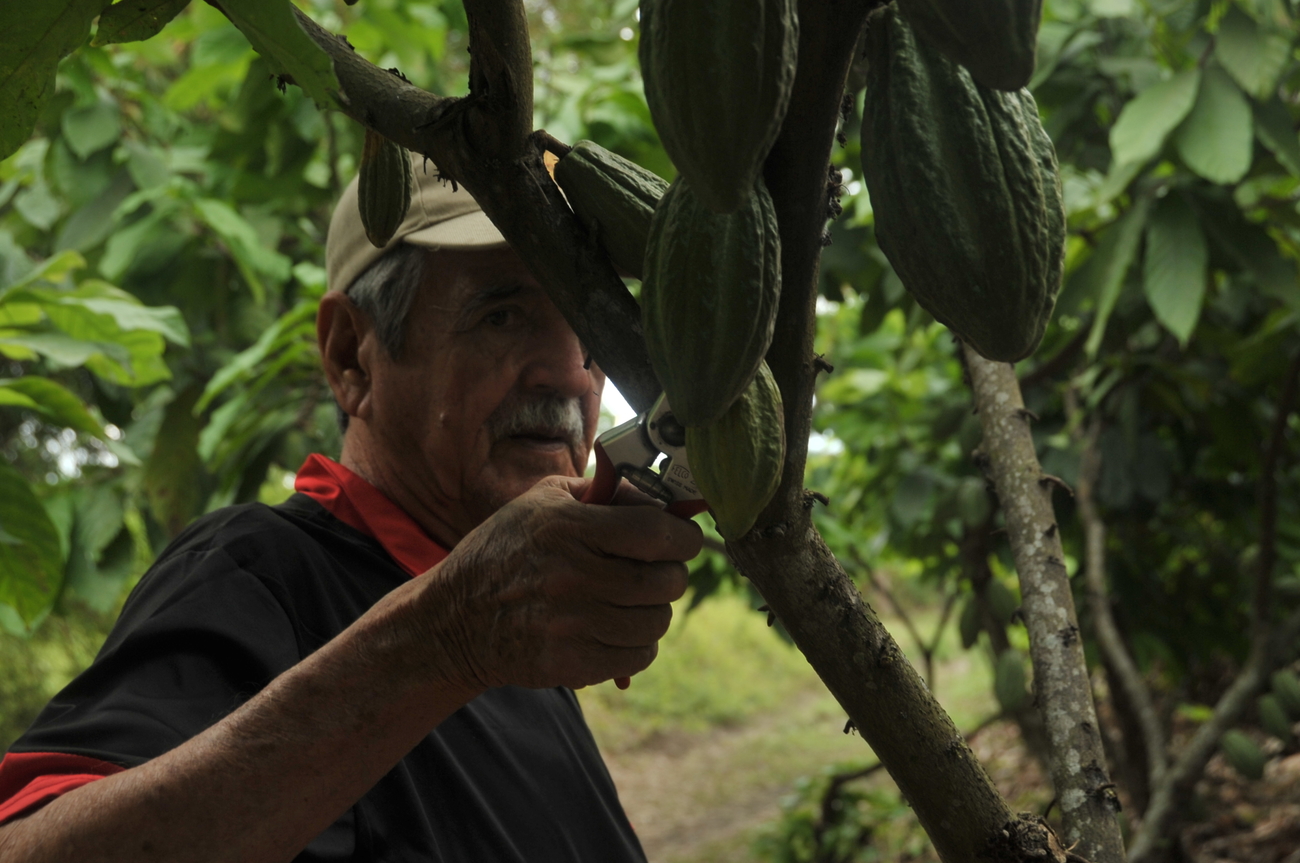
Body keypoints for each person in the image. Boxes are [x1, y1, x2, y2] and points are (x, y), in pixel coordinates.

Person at [0, 162, 702, 862]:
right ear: (351, 358)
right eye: (502, 315)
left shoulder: (514, 610)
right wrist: (444, 640)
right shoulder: (260, 575)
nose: (572, 374)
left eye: (588, 327)